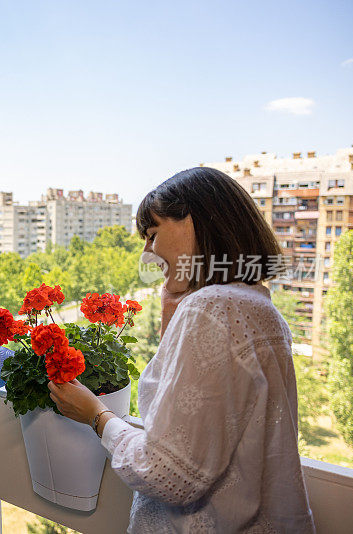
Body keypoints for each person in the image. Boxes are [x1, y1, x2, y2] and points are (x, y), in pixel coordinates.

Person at [49, 167, 315, 532]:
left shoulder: (211, 309)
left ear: (195, 221)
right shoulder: (261, 310)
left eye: (153, 235)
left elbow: (167, 473)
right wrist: (172, 324)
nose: (147, 255)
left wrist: (96, 415)